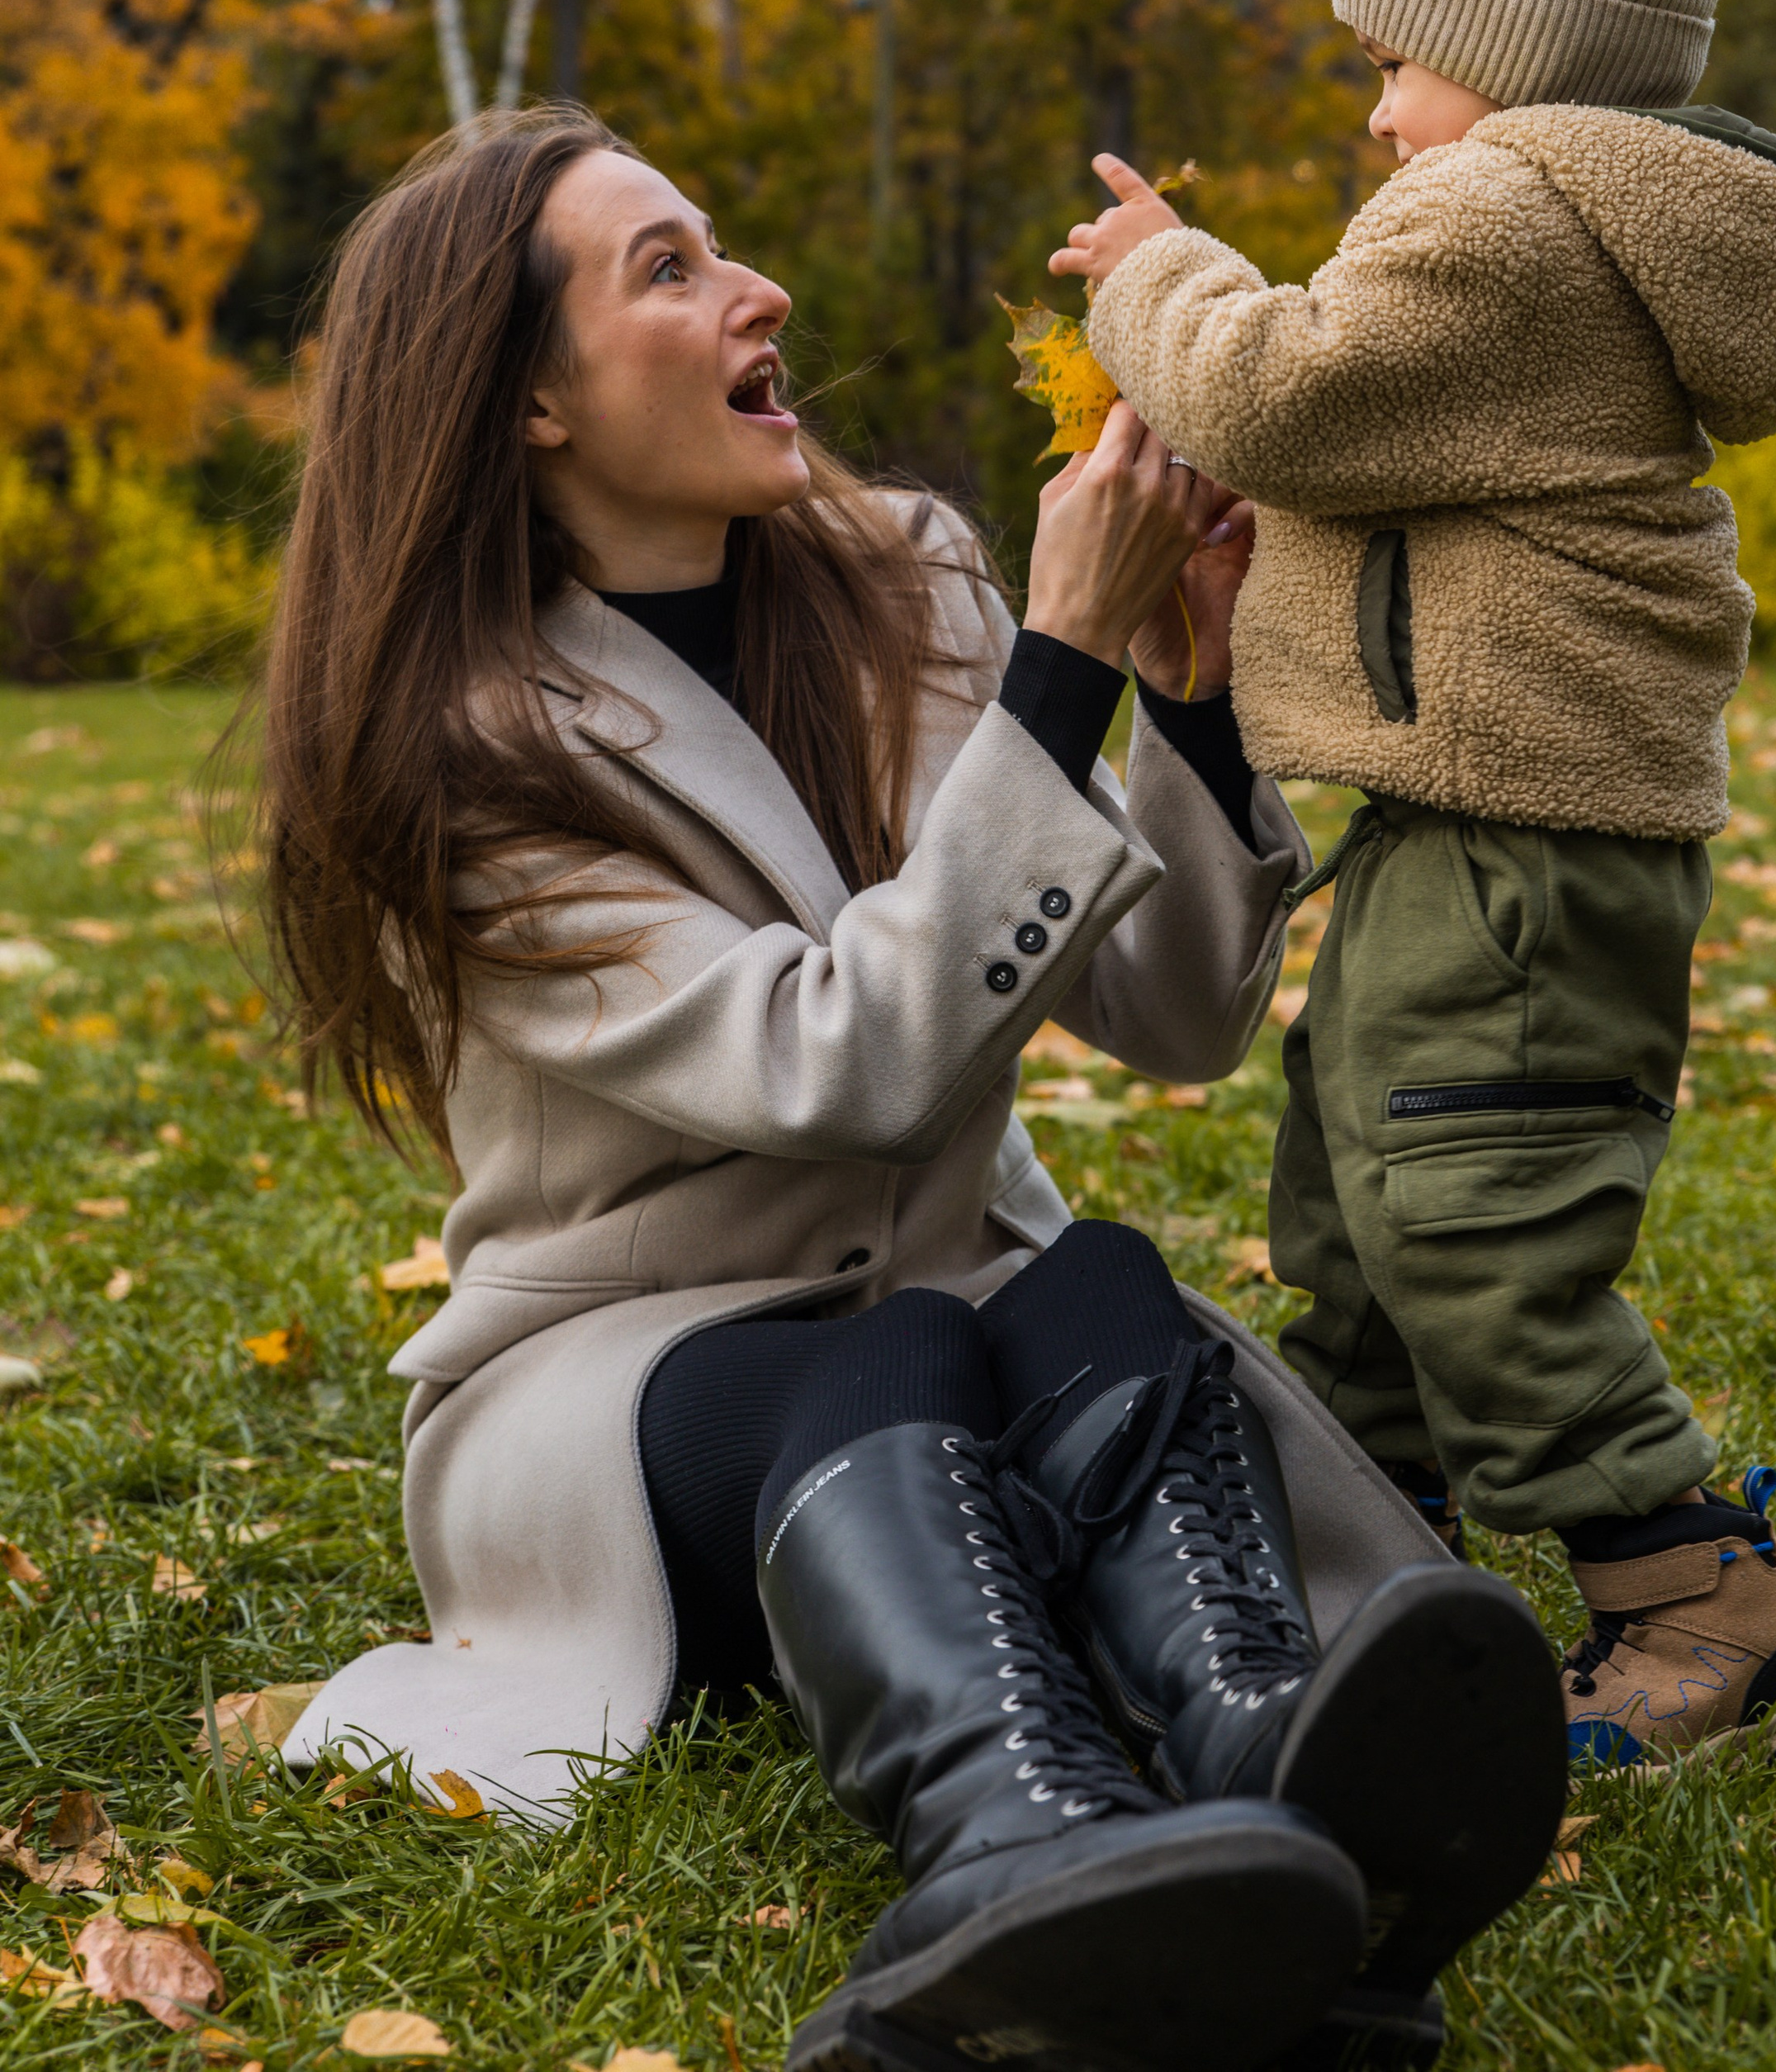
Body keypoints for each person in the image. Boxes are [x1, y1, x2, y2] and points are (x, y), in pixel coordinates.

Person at [256, 106, 1565, 2072]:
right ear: (529, 399)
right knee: (894, 1358)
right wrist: (1061, 660)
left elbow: (1171, 1015)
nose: (759, 290)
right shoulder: (457, 755)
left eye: (721, 242)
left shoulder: (908, 582)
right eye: (669, 269)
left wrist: (1182, 696)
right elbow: (839, 1065)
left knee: (1092, 1280)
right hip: (618, 1390)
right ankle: (1010, 1847)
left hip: (959, 1311)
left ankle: (1268, 1753)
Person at [1053, 0, 1776, 1773]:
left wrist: (1162, 268)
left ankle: (1699, 1605)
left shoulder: (1506, 208)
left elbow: (1281, 390)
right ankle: (1366, 1551)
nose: (1375, 114)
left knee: (1466, 1211)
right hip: (1478, 818)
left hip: (1524, 841)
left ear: (1513, 53)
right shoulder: (1552, 223)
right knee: (1359, 1182)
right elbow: (1386, 462)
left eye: (1395, 61)